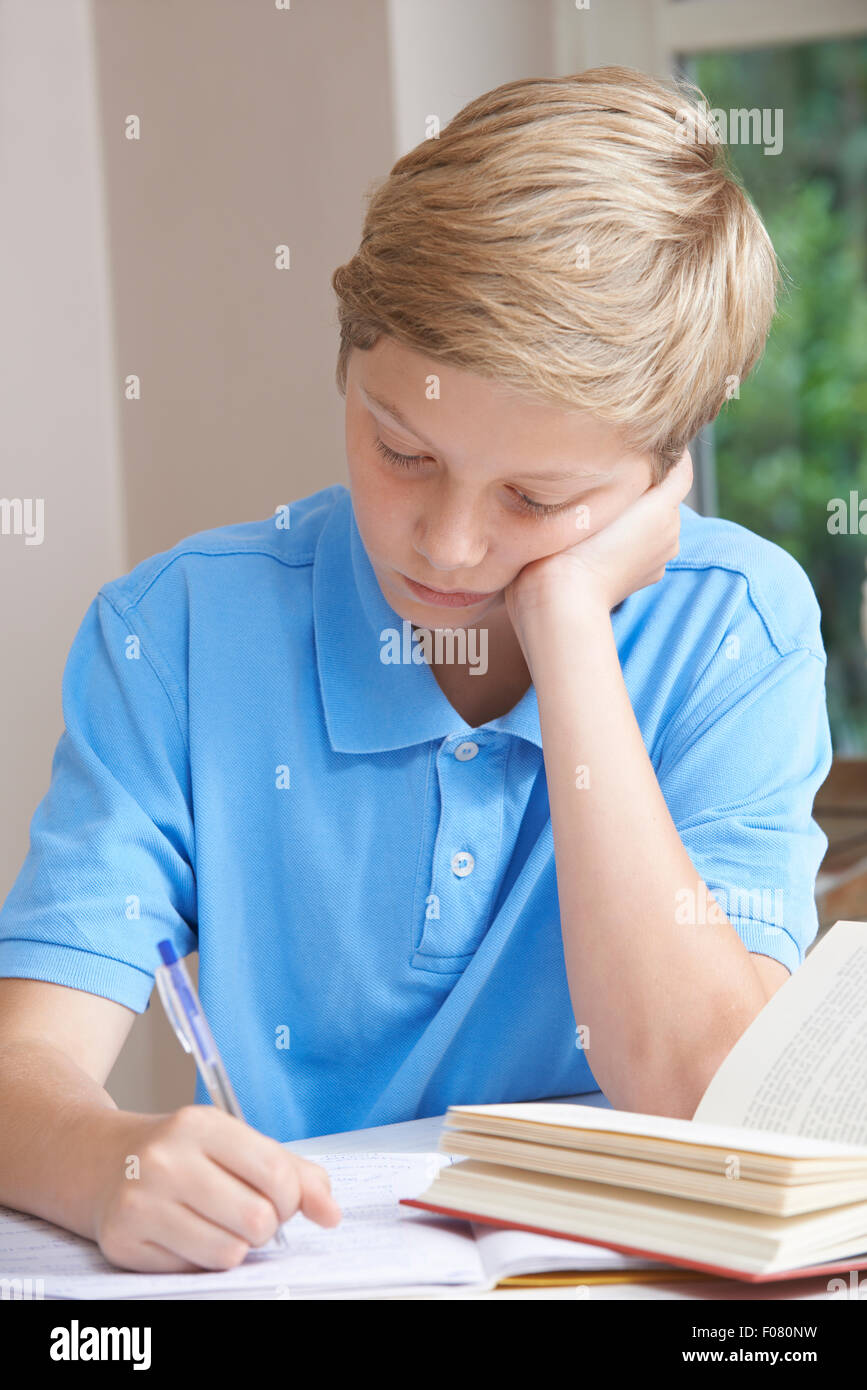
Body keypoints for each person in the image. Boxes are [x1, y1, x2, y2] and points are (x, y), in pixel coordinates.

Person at [0, 66, 832, 1274]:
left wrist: (570, 628)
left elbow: (703, 1095)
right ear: (348, 363)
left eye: (536, 499)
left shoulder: (737, 628)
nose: (445, 543)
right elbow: (23, 1067)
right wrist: (105, 1158)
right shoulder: (174, 633)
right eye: (402, 449)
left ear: (660, 476)